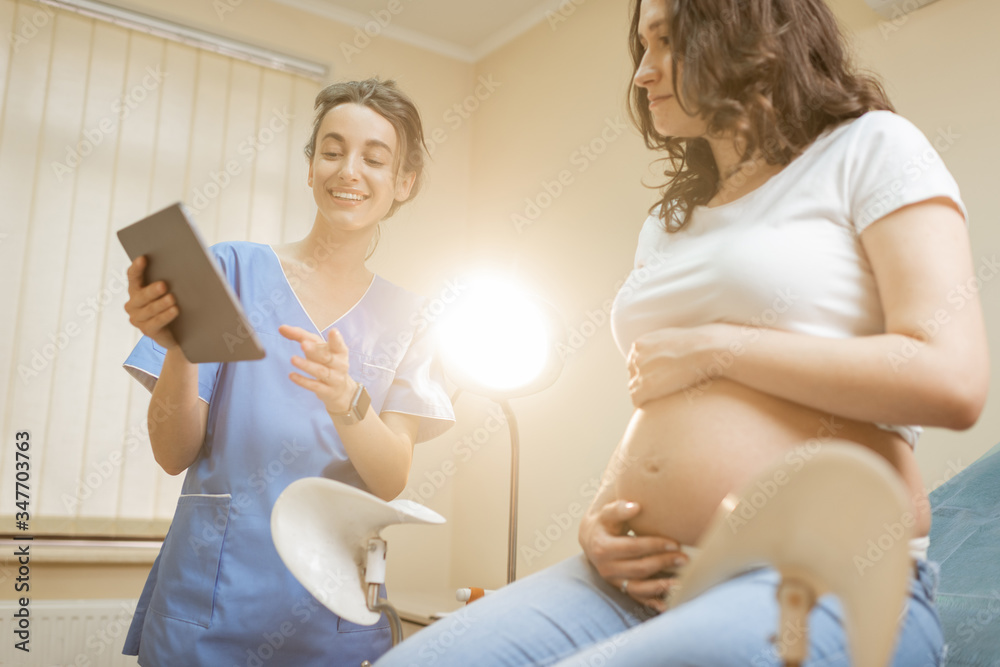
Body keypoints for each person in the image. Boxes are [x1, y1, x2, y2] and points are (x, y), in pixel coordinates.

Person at [376, 0, 989, 665]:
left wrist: (724, 348)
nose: (642, 72)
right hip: (633, 578)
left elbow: (950, 378)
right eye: (640, 46)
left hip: (829, 568)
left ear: (747, 31)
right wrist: (601, 513)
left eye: (666, 42)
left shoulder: (871, 145)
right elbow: (665, 399)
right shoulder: (670, 222)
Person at [120, 78, 455, 666]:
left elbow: (391, 478)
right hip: (208, 603)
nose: (349, 170)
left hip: (328, 612)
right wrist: (179, 346)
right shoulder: (229, 271)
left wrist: (346, 397)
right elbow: (173, 452)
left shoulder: (413, 319)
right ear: (310, 168)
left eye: (374, 158)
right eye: (332, 150)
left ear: (404, 183)